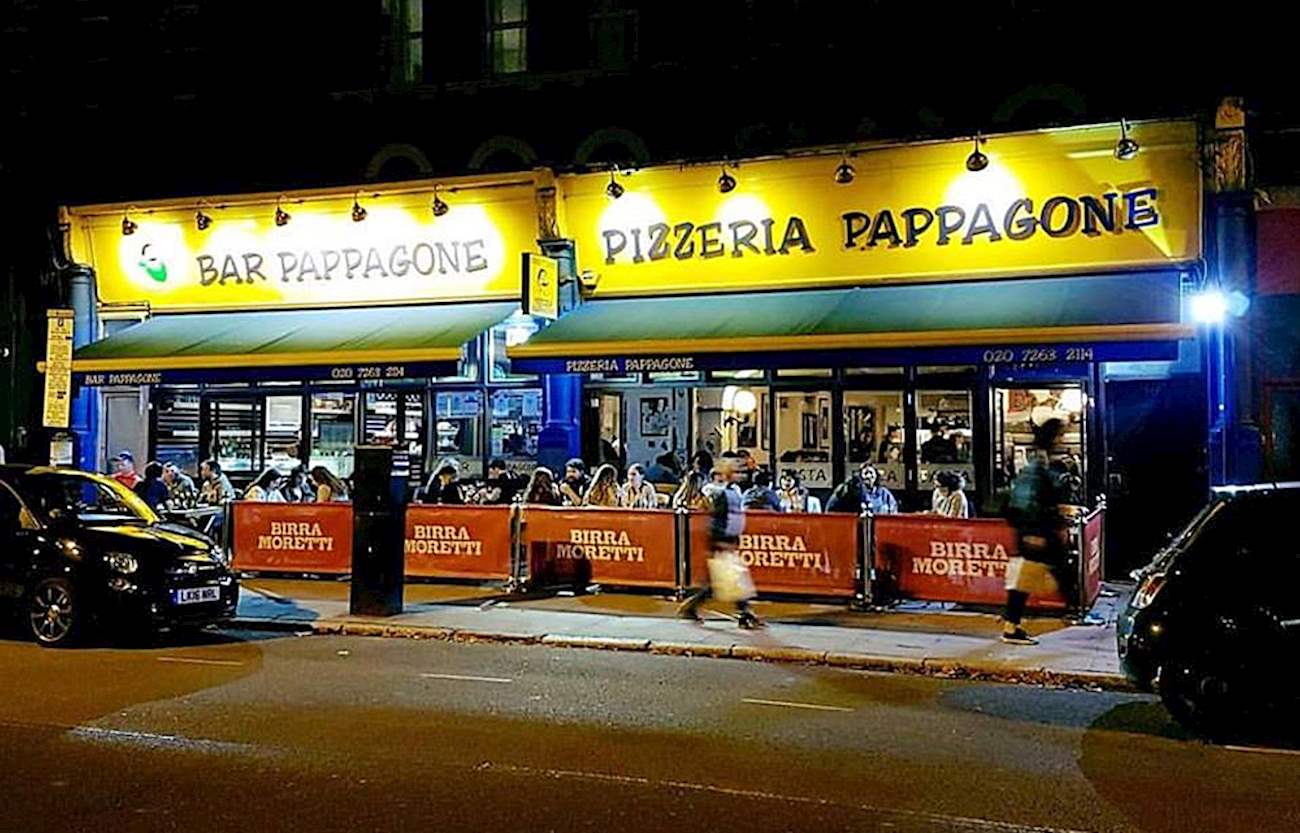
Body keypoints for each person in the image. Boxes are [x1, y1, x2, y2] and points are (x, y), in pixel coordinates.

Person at [1001, 418, 1072, 646]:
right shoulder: (1039, 465)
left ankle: (1012, 625)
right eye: (1060, 434)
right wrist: (1035, 532)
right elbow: (1030, 500)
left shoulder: (1039, 461)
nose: (1062, 439)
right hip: (1036, 532)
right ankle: (1012, 626)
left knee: (1025, 579)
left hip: (1035, 530)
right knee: (1028, 578)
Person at [677, 459, 762, 629]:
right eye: (737, 472)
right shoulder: (723, 495)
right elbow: (716, 520)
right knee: (734, 580)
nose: (741, 475)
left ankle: (690, 608)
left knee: (719, 584)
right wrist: (721, 542)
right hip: (722, 544)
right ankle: (745, 614)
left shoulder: (734, 492)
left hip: (728, 542)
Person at [826, 463, 898, 515]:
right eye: (866, 473)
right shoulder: (852, 491)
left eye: (871, 473)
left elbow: (893, 510)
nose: (869, 476)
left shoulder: (885, 493)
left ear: (876, 476)